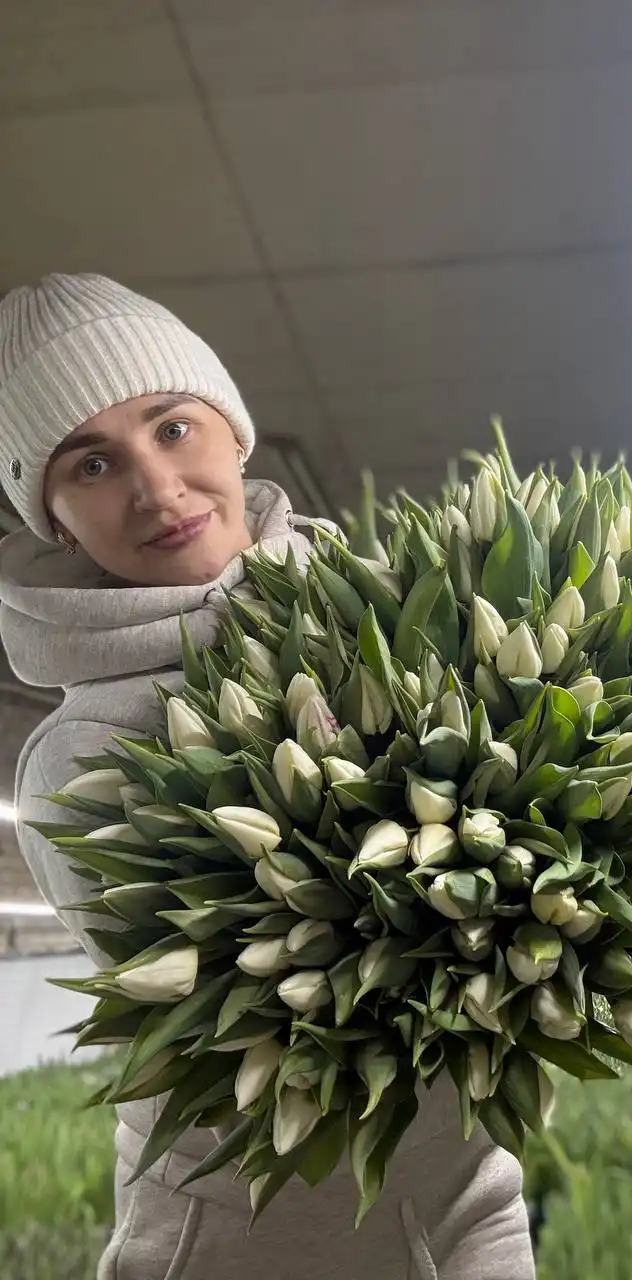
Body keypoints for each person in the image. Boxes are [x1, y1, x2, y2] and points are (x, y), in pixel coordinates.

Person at [0, 274, 535, 1280]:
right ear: (57, 518)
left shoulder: (396, 615)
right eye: (94, 462)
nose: (157, 488)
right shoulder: (79, 761)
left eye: (172, 426)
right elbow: (294, 1002)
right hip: (241, 1233)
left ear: (235, 431)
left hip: (466, 1198)